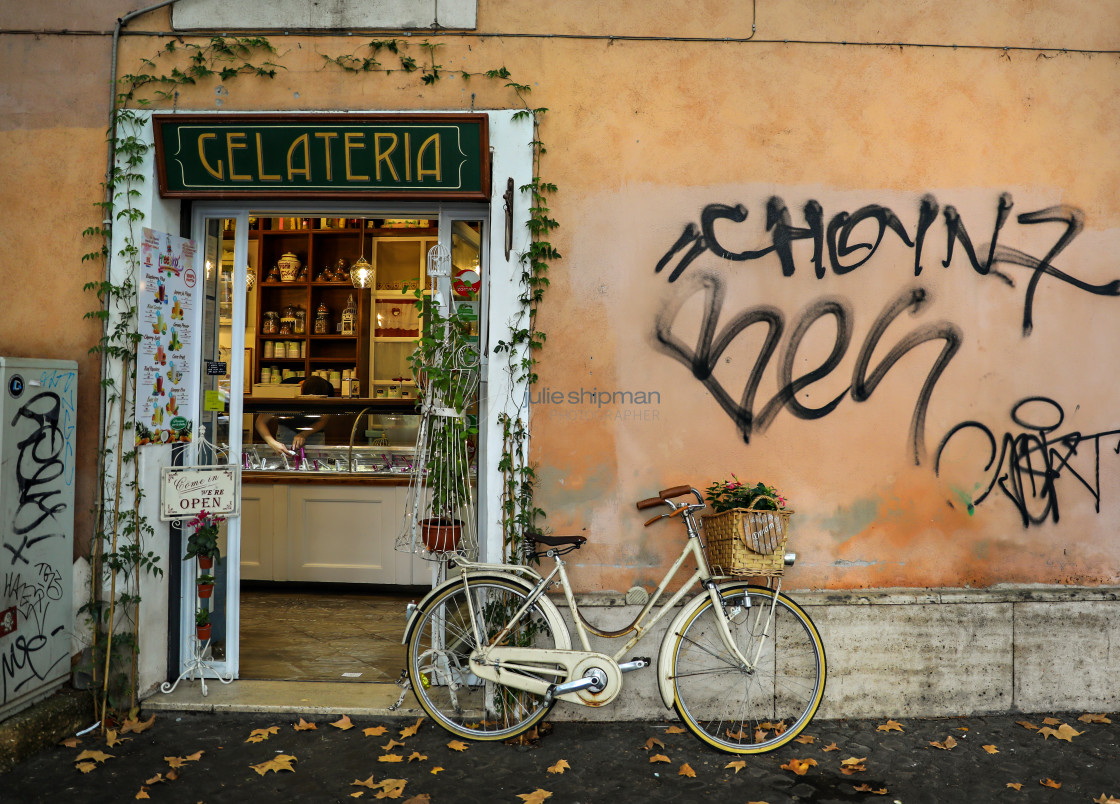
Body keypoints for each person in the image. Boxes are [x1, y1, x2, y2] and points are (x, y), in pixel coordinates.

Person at [254, 375, 334, 455]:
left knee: (316, 463)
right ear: (301, 390)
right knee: (286, 460)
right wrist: (272, 443)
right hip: (287, 429)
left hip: (314, 431)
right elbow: (260, 422)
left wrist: (304, 434)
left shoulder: (328, 388)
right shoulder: (285, 388)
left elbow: (323, 419)